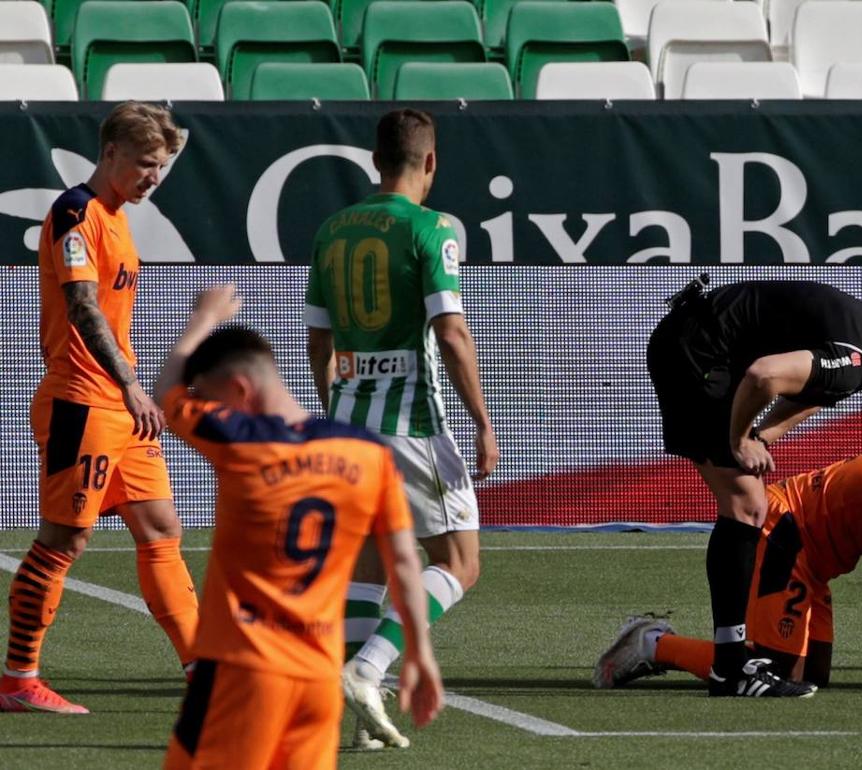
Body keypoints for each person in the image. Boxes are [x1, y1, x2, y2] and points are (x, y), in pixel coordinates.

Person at [158, 285, 443, 769]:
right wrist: (418, 652)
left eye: (211, 398)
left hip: (241, 670)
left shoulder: (240, 443)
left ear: (239, 393)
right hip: (316, 682)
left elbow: (166, 393)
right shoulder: (369, 454)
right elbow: (402, 563)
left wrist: (204, 317)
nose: (208, 407)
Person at [647, 277, 862, 697]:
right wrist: (740, 439)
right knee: (747, 506)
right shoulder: (855, 360)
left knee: (746, 503)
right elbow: (764, 376)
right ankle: (729, 668)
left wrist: (762, 436)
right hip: (697, 349)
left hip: (699, 341)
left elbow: (813, 391)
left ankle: (730, 663)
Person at [304, 108, 497, 746]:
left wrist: (337, 406)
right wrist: (483, 421)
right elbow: (451, 331)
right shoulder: (432, 229)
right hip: (412, 421)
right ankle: (368, 668)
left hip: (349, 420)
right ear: (431, 162)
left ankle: (360, 720)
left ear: (374, 160)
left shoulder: (332, 230)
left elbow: (319, 337)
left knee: (365, 561)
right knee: (461, 563)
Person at [1, 102, 199, 714]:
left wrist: (168, 139)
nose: (154, 178)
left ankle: (206, 671)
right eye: (144, 164)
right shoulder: (74, 212)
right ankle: (18, 679)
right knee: (65, 539)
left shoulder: (116, 213)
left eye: (161, 167)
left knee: (162, 529)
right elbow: (84, 307)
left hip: (120, 408)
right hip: (83, 402)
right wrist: (132, 386)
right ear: (108, 153)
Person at [594, 450, 862, 695]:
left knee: (810, 678)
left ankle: (658, 644)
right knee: (771, 668)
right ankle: (652, 644)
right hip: (787, 529)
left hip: (816, 561)